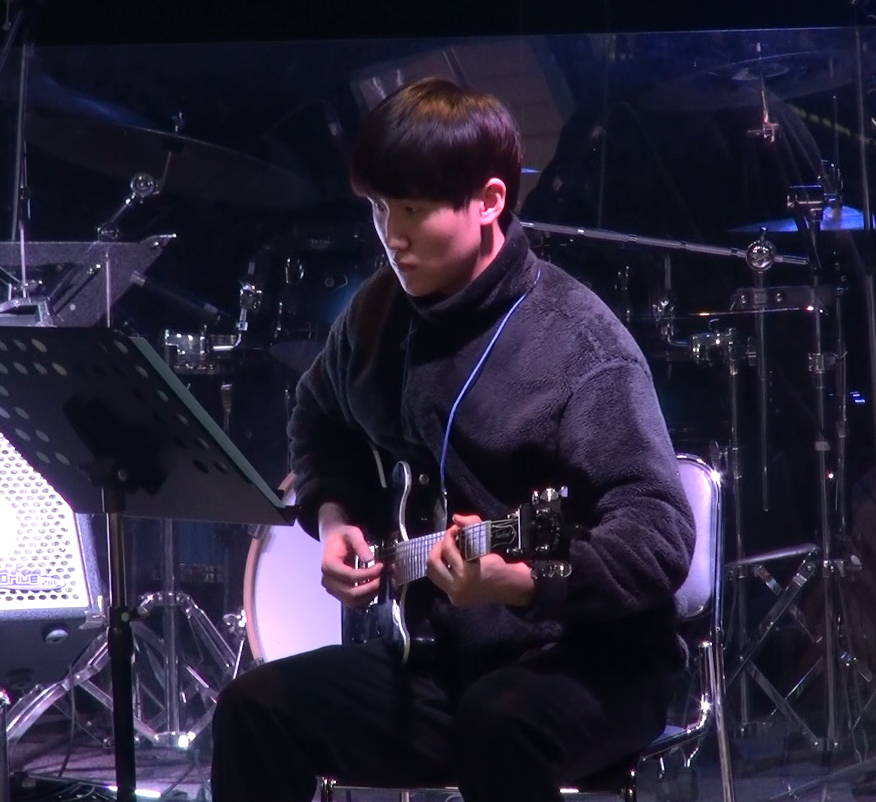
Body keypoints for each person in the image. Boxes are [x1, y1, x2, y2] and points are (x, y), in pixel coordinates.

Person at [210, 76, 696, 802]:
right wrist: (335, 516)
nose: (392, 235)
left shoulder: (581, 346)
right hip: (442, 662)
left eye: (413, 210)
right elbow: (318, 413)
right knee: (255, 710)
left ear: (490, 201)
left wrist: (523, 582)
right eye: (379, 208)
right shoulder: (378, 314)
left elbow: (657, 534)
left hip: (594, 660)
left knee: (497, 724)